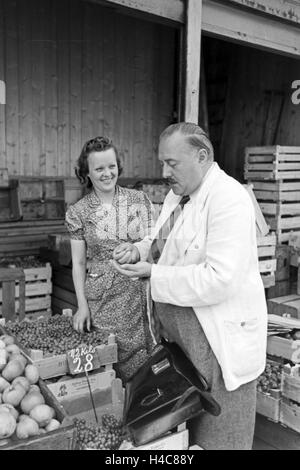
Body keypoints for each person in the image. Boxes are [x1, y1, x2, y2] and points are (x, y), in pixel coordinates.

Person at [112, 122, 268, 450]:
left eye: (172, 163)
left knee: (220, 436)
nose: (164, 171)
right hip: (185, 346)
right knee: (187, 438)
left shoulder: (229, 199)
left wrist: (152, 273)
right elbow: (160, 241)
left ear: (202, 156)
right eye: (162, 163)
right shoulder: (178, 196)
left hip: (217, 344)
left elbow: (219, 279)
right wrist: (137, 250)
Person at [65, 136, 154, 382]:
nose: (107, 173)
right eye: (99, 168)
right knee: (110, 360)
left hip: (140, 292)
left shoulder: (138, 200)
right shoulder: (78, 212)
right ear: (87, 173)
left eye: (111, 166)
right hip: (103, 300)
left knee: (147, 360)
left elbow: (154, 242)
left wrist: (136, 248)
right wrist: (82, 305)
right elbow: (79, 263)